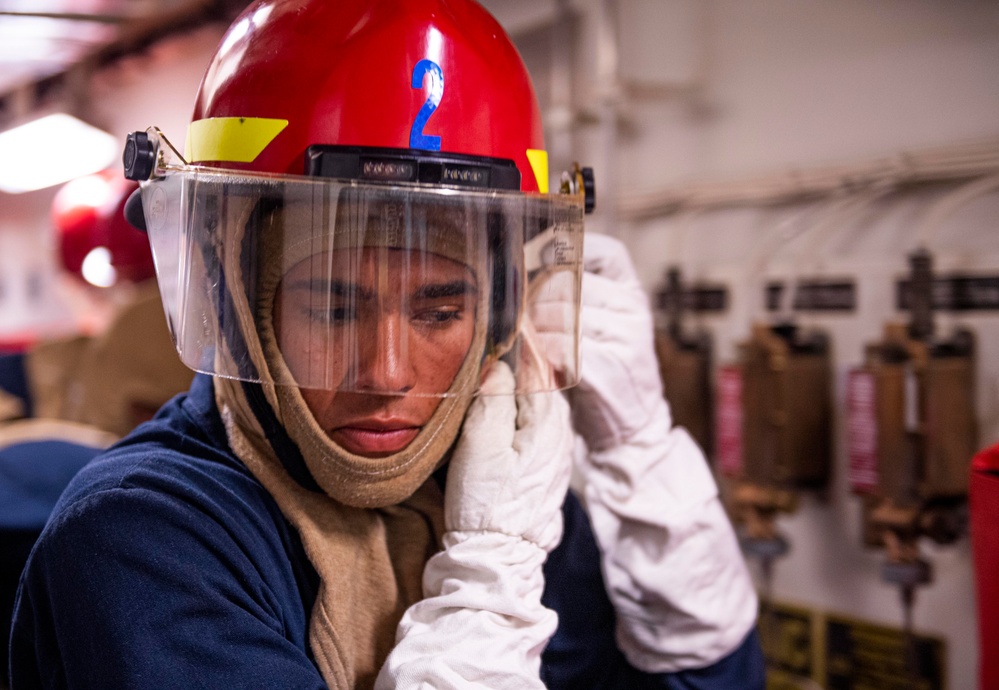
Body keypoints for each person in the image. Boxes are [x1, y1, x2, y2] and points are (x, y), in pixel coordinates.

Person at [9, 1, 763, 688]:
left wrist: (642, 457)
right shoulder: (145, 537)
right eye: (333, 310)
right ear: (237, 297)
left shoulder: (500, 501)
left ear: (503, 313)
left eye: (440, 313)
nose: (388, 375)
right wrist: (484, 583)